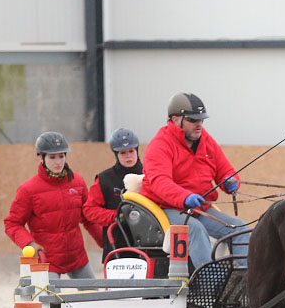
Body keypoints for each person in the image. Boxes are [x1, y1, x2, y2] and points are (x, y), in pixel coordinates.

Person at [140, 92, 249, 269]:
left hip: (198, 207)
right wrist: (185, 197)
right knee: (195, 230)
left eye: (201, 120)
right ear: (175, 119)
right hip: (167, 208)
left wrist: (231, 180)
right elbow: (160, 182)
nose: (199, 124)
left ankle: (250, 281)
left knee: (239, 227)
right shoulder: (160, 145)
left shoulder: (204, 138)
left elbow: (224, 168)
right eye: (192, 120)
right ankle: (212, 288)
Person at [4, 131, 100, 278]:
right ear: (42, 158)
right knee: (52, 300)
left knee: (93, 296)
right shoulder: (28, 190)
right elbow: (12, 224)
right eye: (52, 157)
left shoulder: (77, 182)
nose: (58, 162)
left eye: (61, 156)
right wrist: (29, 244)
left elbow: (88, 217)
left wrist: (105, 242)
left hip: (77, 257)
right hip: (48, 260)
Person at [83, 127, 144, 261]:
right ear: (116, 154)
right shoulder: (105, 179)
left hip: (148, 245)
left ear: (137, 151)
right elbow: (89, 210)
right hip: (117, 246)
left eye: (131, 151)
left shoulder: (150, 174)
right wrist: (116, 216)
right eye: (123, 153)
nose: (128, 156)